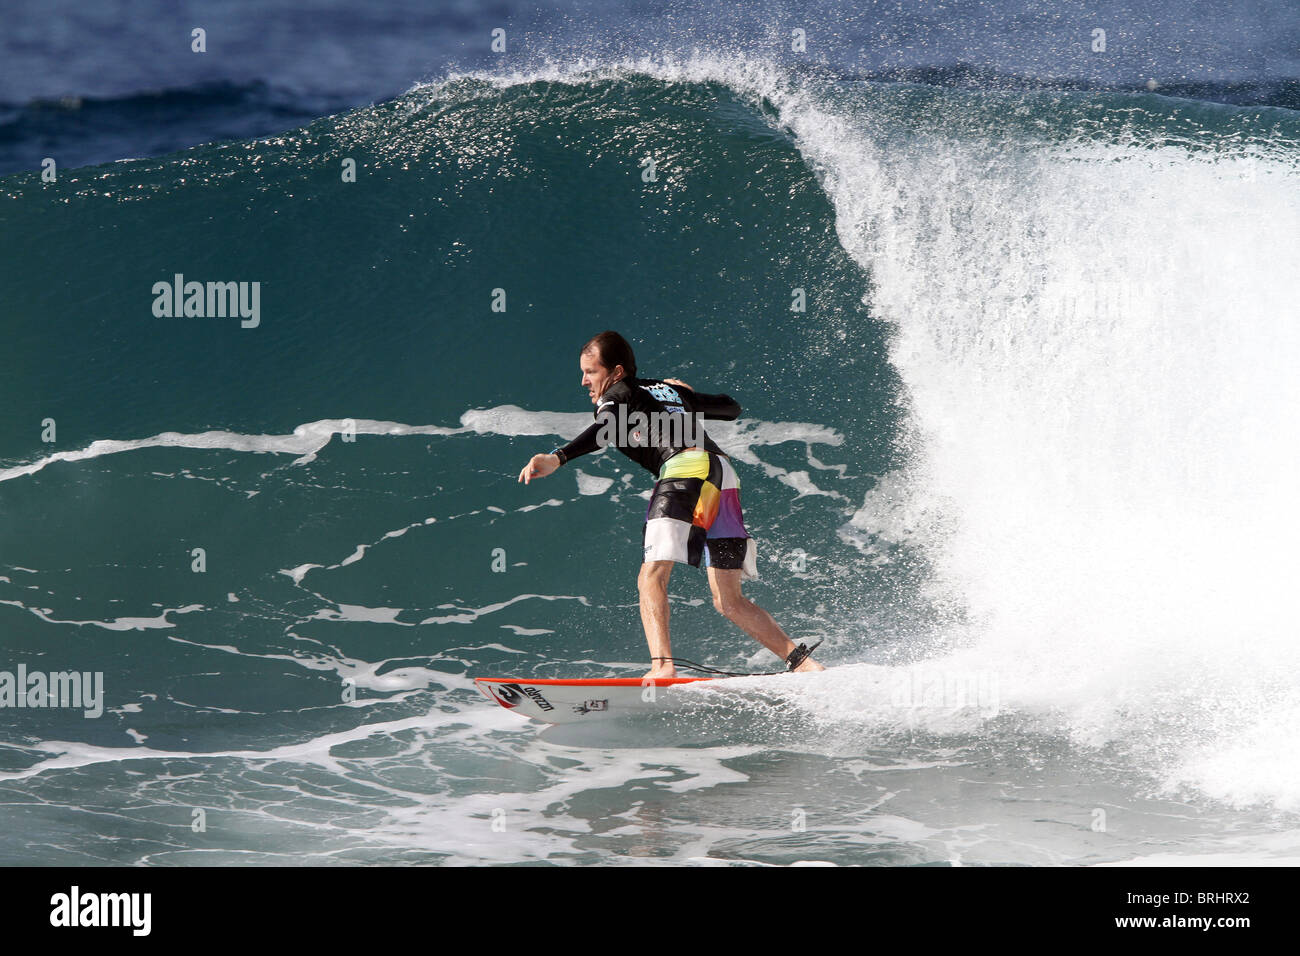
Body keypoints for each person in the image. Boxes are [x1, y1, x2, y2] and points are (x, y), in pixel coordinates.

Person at [517, 331, 824, 678]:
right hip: (721, 473)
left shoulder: (618, 394)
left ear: (616, 372)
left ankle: (662, 669)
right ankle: (804, 665)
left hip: (685, 470)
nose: (584, 381)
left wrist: (559, 457)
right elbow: (730, 407)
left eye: (592, 372)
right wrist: (686, 396)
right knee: (729, 600)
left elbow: (605, 426)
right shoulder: (665, 390)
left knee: (652, 576)